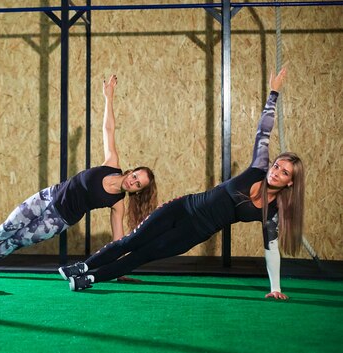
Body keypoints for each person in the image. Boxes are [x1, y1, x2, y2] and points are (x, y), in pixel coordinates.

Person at [59, 68, 304, 300]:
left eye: (284, 173)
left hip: (194, 233)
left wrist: (275, 288)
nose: (276, 172)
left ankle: (89, 278)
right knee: (130, 241)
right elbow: (263, 132)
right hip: (183, 207)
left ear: (290, 182)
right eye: (277, 166)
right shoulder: (259, 168)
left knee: (142, 255)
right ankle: (82, 266)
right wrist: (273, 94)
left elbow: (271, 249)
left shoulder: (272, 212)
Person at [0, 75, 158, 267]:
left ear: (137, 191)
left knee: (12, 242)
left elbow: (118, 240)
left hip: (57, 221)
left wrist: (118, 270)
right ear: (131, 171)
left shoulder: (117, 204)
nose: (133, 181)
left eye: (138, 184)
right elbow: (108, 129)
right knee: (4, 230)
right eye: (135, 176)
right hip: (47, 196)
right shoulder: (111, 163)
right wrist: (108, 97)